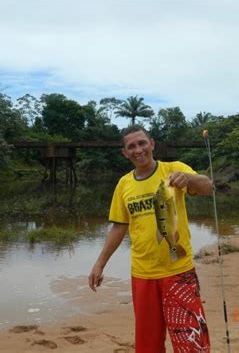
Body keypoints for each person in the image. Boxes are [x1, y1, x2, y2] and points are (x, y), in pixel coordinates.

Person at [88, 125, 213, 352]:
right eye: (131, 146)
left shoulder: (174, 170)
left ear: (152, 144)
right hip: (142, 275)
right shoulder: (124, 184)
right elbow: (118, 227)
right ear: (125, 153)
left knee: (191, 343)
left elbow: (208, 187)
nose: (138, 150)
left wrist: (188, 179)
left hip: (179, 272)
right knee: (148, 345)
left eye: (142, 143)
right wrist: (100, 263)